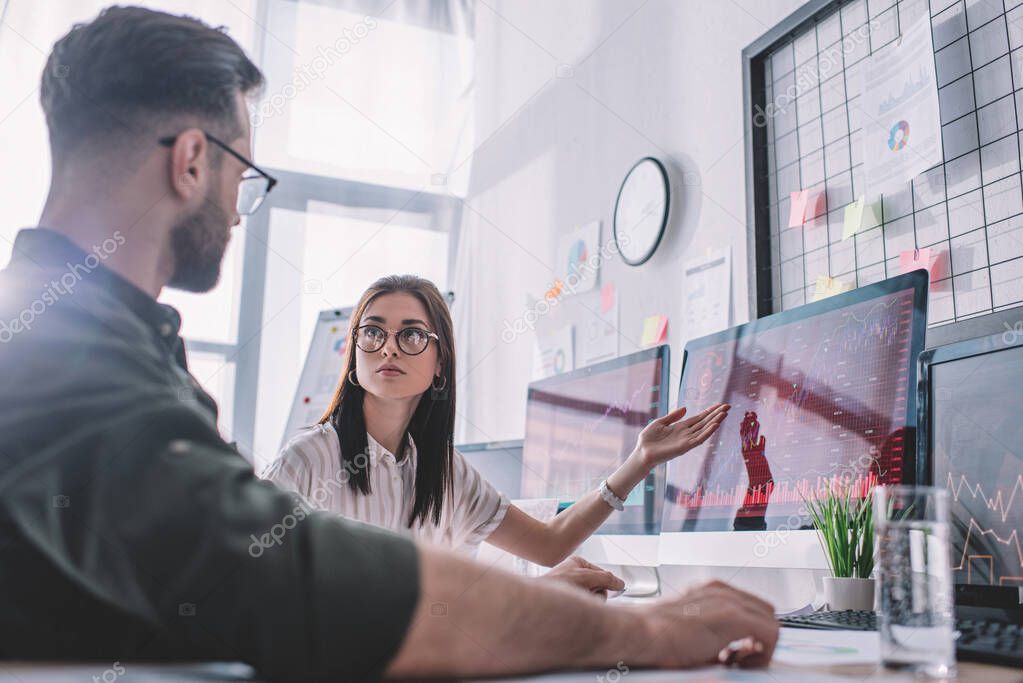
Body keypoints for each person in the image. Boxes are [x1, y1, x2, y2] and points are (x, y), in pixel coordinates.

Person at [0, 6, 779, 680]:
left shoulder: (96, 338)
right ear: (193, 158)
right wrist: (644, 629)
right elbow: (298, 583)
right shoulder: (62, 354)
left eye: (413, 334)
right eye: (244, 172)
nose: (240, 211)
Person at [262, 274, 730, 596]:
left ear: (439, 361)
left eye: (411, 335)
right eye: (373, 332)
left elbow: (548, 546)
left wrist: (639, 461)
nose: (388, 347)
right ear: (354, 352)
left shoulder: (444, 472)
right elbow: (252, 585)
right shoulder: (308, 459)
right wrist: (534, 597)